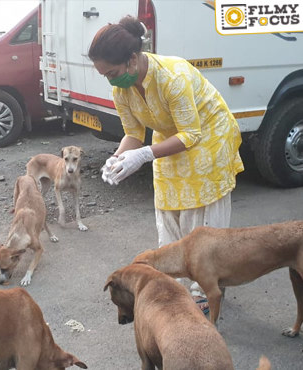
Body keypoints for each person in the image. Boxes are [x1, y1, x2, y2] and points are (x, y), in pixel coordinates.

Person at [89, 16, 244, 311]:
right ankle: (176, 280)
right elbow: (133, 134)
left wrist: (145, 154)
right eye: (104, 75)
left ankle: (206, 286)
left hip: (209, 135)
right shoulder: (121, 89)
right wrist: (118, 157)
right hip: (170, 136)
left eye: (112, 72)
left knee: (200, 214)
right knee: (169, 207)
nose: (110, 79)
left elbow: (192, 133)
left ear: (133, 59)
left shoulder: (172, 77)